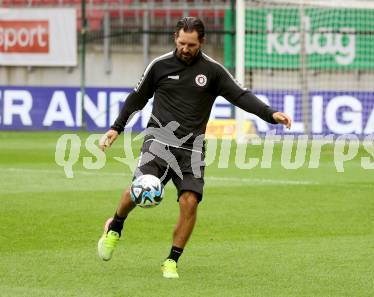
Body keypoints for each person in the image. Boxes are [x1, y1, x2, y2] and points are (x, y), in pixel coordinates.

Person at [97, 16, 292, 279]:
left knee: (189, 203)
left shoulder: (213, 71)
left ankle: (171, 261)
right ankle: (115, 227)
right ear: (175, 39)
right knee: (140, 190)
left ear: (202, 42)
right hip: (158, 142)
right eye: (181, 43)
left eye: (191, 44)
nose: (185, 49)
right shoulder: (159, 66)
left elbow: (240, 96)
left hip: (193, 149)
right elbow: (137, 98)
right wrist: (116, 128)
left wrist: (270, 114)